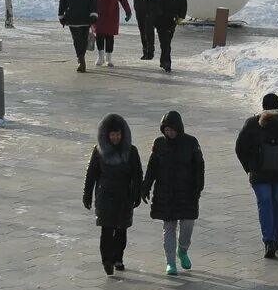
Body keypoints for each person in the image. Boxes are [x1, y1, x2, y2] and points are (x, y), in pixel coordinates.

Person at [235, 93, 278, 259]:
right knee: (275, 202)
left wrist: (249, 167)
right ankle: (276, 237)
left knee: (264, 202)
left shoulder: (253, 123)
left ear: (263, 106)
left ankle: (269, 240)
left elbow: (240, 147)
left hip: (258, 174)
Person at [142, 111, 205, 276]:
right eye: (166, 130)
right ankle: (170, 262)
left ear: (179, 128)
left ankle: (182, 250)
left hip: (187, 193)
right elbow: (152, 168)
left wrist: (198, 187)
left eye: (172, 129)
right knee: (169, 227)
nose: (169, 133)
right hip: (166, 193)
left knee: (187, 226)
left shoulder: (191, 143)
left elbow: (199, 167)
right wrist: (145, 187)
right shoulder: (159, 144)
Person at [83, 114, 143, 276]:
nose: (115, 137)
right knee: (107, 230)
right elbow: (91, 174)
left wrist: (138, 193)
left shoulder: (131, 151)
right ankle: (107, 260)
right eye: (112, 134)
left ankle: (118, 257)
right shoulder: (99, 151)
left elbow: (137, 174)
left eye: (118, 134)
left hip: (125, 196)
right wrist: (87, 194)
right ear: (107, 135)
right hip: (105, 196)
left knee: (122, 230)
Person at [143, 0, 187, 73]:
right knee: (165, 42)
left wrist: (181, 15)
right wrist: (154, 12)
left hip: (172, 19)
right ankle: (167, 63)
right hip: (160, 19)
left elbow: (183, 1)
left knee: (167, 42)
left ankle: (163, 61)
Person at [59, 0, 99, 73]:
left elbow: (93, 2)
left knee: (84, 39)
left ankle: (81, 57)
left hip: (85, 18)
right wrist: (61, 15)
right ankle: (81, 59)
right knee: (77, 39)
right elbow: (62, 0)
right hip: (72, 18)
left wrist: (93, 14)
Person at [92, 0, 131, 68]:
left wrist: (128, 11)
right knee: (99, 34)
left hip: (112, 12)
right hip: (99, 12)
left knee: (110, 36)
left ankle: (108, 58)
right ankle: (100, 57)